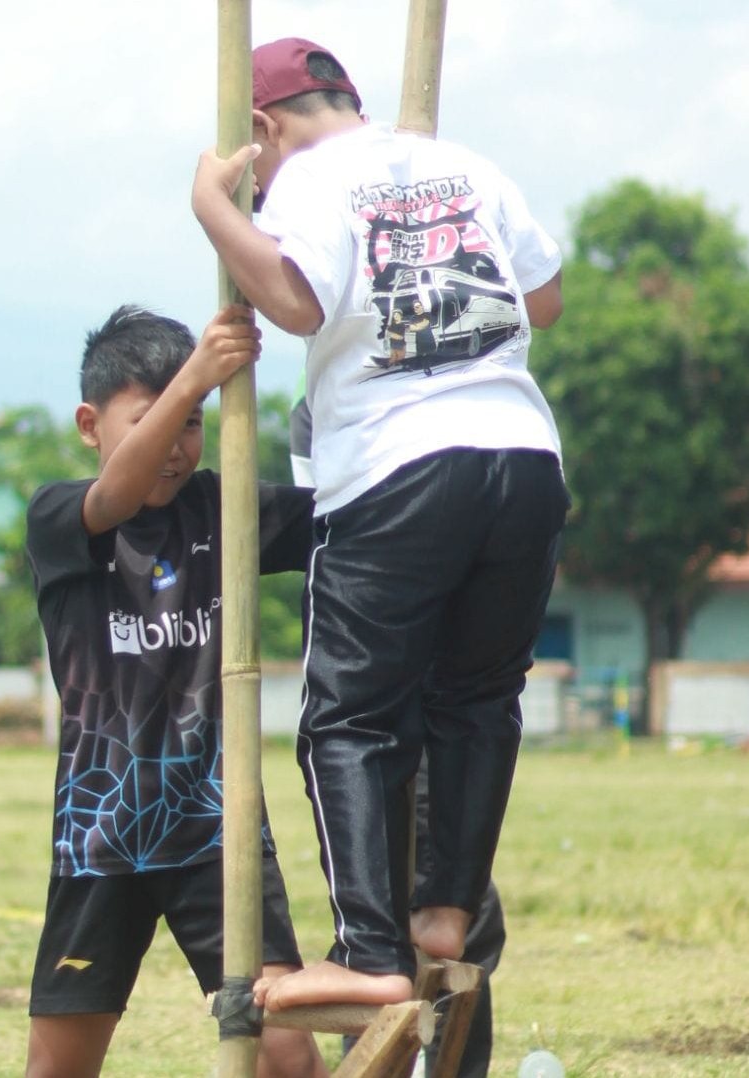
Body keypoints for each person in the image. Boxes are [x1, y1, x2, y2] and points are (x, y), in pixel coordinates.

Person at [191, 37, 568, 1014]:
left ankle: (368, 950)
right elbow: (544, 298)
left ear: (265, 129)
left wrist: (213, 210)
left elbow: (289, 299)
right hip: (523, 458)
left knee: (349, 718)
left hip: (399, 466)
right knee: (477, 697)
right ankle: (442, 911)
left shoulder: (311, 181)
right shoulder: (467, 165)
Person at [22, 303, 326, 1078]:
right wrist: (197, 375)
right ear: (90, 425)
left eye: (193, 422)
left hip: (217, 833)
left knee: (288, 1057)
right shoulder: (59, 517)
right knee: (59, 1067)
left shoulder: (226, 510)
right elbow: (114, 499)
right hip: (102, 838)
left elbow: (348, 520)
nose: (177, 445)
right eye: (152, 418)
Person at [291, 388, 505, 1078]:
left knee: (443, 910)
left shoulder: (465, 403)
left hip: (427, 707)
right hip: (394, 704)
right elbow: (328, 543)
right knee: (394, 907)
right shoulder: (323, 414)